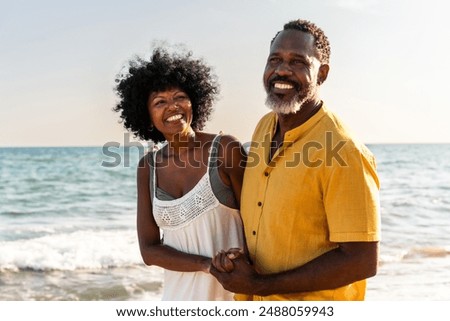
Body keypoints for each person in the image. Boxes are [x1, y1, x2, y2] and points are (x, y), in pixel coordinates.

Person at [210, 19, 381, 301]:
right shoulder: (264, 126)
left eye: (298, 62)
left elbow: (361, 261)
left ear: (322, 73)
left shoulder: (344, 151)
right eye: (274, 59)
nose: (282, 70)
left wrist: (260, 285)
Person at [113, 46, 246, 300]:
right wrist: (207, 264)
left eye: (179, 97)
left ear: (194, 100)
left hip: (233, 298)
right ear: (147, 115)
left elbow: (257, 224)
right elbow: (149, 250)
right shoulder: (147, 168)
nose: (172, 107)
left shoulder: (225, 149)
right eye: (159, 102)